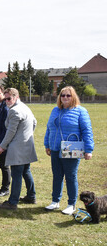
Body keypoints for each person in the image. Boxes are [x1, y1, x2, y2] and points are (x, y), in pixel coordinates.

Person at [44, 86, 94, 215]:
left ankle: (71, 204)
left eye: (68, 95)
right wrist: (47, 144)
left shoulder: (80, 111)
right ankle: (55, 201)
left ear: (73, 97)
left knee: (70, 177)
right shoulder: (55, 110)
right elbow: (49, 128)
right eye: (62, 95)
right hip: (55, 148)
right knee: (57, 176)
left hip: (71, 149)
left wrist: (88, 149)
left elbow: (87, 131)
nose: (65, 98)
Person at [0, 88, 37, 210]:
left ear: (16, 97)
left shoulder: (14, 111)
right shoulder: (25, 107)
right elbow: (34, 122)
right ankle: (31, 196)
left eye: (9, 99)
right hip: (27, 146)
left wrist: (2, 146)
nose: (7, 101)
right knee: (26, 171)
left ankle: (12, 202)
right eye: (5, 99)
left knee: (17, 174)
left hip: (18, 148)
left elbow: (11, 131)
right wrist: (26, 135)